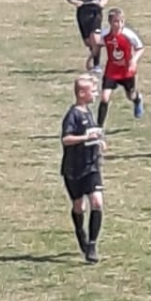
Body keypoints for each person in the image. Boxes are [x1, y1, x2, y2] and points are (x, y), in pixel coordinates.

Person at [59, 75, 106, 263]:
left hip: (92, 166)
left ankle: (92, 245)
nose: (96, 94)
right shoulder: (73, 115)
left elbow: (91, 135)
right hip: (74, 168)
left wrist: (99, 142)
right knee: (79, 206)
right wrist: (85, 138)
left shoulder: (88, 112)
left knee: (97, 202)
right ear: (81, 93)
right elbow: (66, 139)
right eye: (92, 91)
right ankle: (80, 231)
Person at [96, 7, 145, 126]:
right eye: (116, 21)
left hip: (126, 71)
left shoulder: (128, 34)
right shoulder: (105, 34)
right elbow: (98, 45)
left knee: (130, 95)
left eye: (121, 21)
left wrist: (133, 61)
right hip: (111, 71)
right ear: (110, 22)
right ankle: (99, 127)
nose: (119, 24)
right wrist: (91, 58)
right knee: (104, 97)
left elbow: (140, 48)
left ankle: (137, 99)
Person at [65, 0, 110, 75]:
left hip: (96, 13)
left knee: (95, 38)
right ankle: (97, 49)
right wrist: (76, 2)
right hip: (83, 15)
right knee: (88, 42)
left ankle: (96, 65)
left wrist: (102, 3)